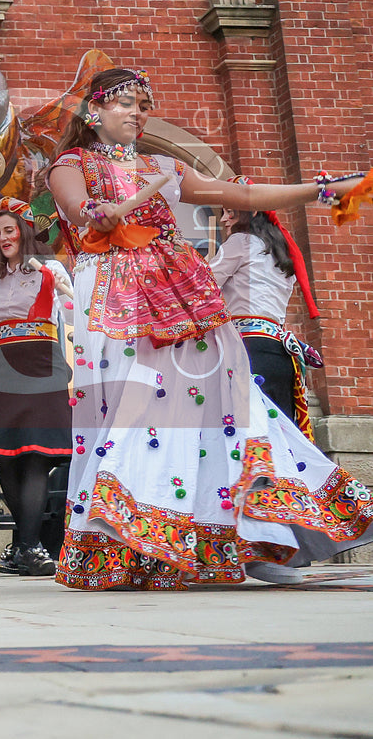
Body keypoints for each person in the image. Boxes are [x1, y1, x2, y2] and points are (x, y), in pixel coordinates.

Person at [45, 67, 373, 589]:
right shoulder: (71, 162)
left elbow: (240, 196)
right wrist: (106, 211)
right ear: (95, 111)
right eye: (124, 103)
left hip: (182, 295)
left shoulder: (163, 165)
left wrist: (321, 188)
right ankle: (126, 540)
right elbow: (80, 211)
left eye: (142, 104)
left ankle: (259, 537)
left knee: (230, 403)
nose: (137, 113)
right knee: (139, 406)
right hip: (114, 294)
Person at [0, 198, 74, 577]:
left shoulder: (49, 267)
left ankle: (26, 547)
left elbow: (71, 306)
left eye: (10, 229)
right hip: (4, 368)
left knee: (36, 456)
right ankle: (28, 546)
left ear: (24, 231)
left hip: (41, 364)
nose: (4, 237)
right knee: (5, 457)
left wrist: (55, 279)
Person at [211, 195, 320, 441]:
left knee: (243, 437)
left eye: (231, 212)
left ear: (251, 213)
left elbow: (204, 287)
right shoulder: (284, 255)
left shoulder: (240, 242)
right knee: (279, 438)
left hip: (247, 350)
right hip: (281, 354)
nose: (224, 219)